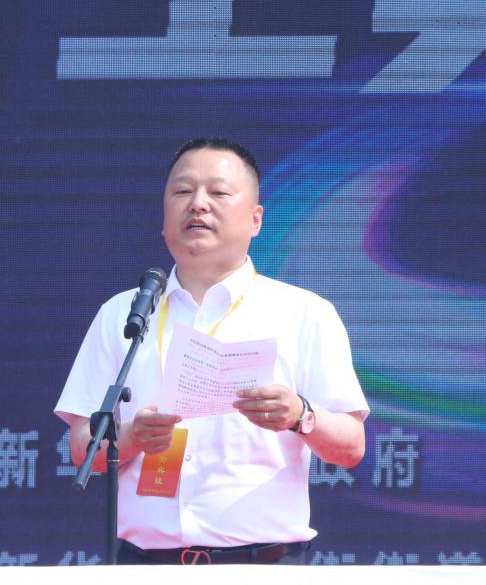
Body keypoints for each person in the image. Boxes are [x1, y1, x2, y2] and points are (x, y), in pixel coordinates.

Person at [55, 137, 369, 565]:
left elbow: (351, 447)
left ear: (256, 219)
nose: (197, 204)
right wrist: (132, 438)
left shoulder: (304, 313)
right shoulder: (123, 315)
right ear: (164, 217)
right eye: (183, 191)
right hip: (145, 565)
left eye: (218, 192)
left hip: (262, 566)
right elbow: (81, 450)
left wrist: (301, 415)